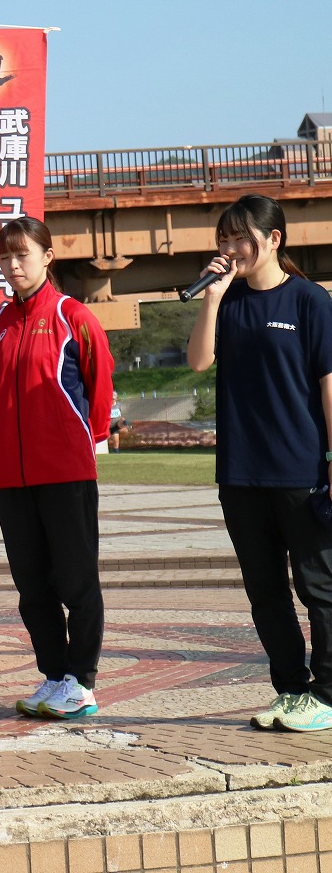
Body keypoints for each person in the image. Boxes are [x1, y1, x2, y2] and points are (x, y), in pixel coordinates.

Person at [187, 194, 332, 732]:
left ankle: (329, 693)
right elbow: (199, 360)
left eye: (239, 239)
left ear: (273, 239)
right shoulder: (228, 302)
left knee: (318, 585)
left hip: (302, 471)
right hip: (241, 473)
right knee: (264, 589)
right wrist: (212, 298)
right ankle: (291, 690)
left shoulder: (309, 302)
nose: (229, 249)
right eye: (223, 240)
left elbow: (329, 383)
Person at [0, 217, 114, 719]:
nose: (13, 266)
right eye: (6, 257)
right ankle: (54, 675)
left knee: (77, 581)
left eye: (23, 255)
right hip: (13, 478)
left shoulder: (72, 314)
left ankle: (81, 680)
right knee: (32, 585)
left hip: (66, 471)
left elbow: (99, 387)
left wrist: (89, 441)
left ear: (47, 257)